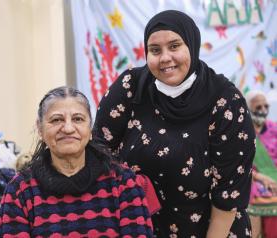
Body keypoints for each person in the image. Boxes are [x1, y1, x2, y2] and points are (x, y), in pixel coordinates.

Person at [93, 10, 255, 237]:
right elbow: (99, 152)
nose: (165, 58)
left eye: (174, 46)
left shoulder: (225, 100)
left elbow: (229, 192)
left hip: (212, 229)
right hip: (139, 228)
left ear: (192, 44)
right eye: (155, 50)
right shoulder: (131, 87)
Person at [0, 86, 154, 237]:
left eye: (78, 119)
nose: (68, 128)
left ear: (90, 127)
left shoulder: (122, 182)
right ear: (40, 129)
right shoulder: (20, 190)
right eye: (57, 120)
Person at [245, 90, 277, 238]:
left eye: (266, 106)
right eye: (258, 107)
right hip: (254, 181)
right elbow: (239, 164)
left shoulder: (274, 128)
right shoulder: (242, 133)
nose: (263, 110)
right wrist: (261, 178)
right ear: (248, 108)